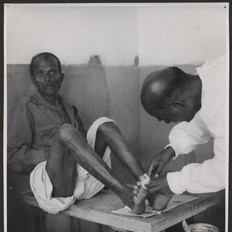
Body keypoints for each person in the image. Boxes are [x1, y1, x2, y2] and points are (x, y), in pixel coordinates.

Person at [8, 52, 156, 215]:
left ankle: (149, 188)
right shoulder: (26, 106)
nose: (47, 79)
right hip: (55, 189)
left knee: (104, 124)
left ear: (61, 77)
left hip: (82, 181)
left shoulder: (69, 107)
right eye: (40, 74)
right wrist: (49, 154)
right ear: (33, 79)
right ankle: (126, 195)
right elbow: (11, 156)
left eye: (52, 72)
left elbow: (82, 149)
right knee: (65, 131)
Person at [140, 56, 226, 209]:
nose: (167, 122)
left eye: (164, 118)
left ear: (178, 104)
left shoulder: (223, 100)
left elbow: (225, 170)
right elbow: (202, 117)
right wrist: (172, 148)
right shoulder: (209, 77)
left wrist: (174, 182)